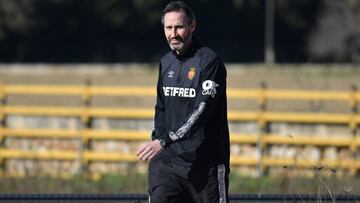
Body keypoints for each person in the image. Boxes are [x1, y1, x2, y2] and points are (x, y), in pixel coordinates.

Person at [137, 1, 230, 202]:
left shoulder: (209, 61)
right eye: (168, 28)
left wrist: (164, 141)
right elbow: (160, 108)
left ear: (192, 26)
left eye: (179, 27)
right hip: (167, 165)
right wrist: (159, 146)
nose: (173, 34)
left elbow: (201, 112)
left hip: (206, 166)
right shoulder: (165, 62)